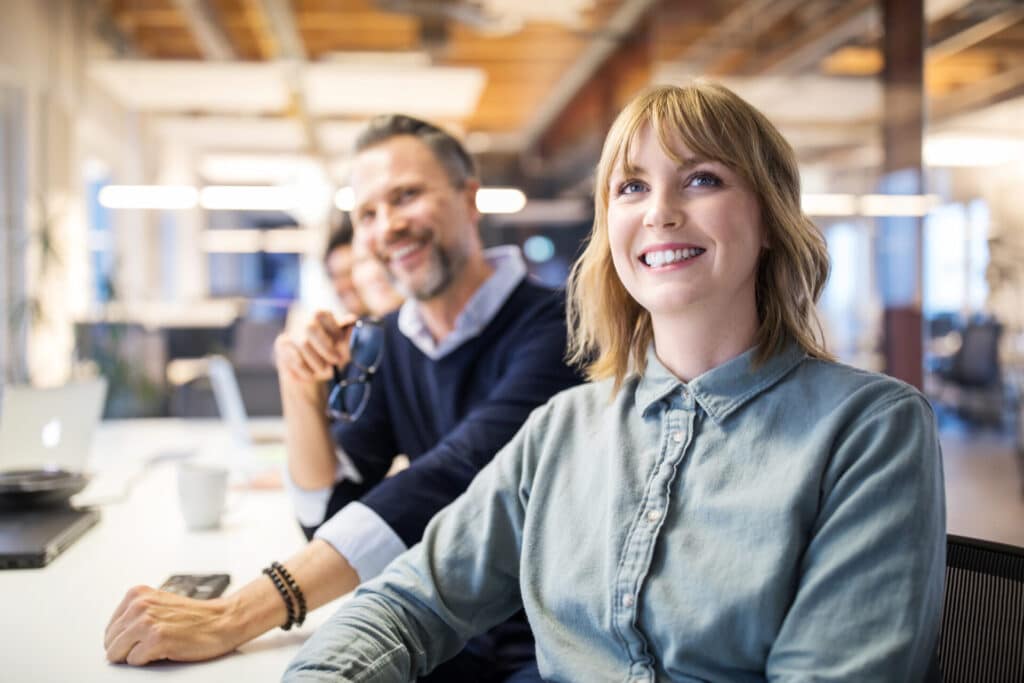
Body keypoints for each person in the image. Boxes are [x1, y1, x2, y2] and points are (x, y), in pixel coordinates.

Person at [283, 82, 947, 682]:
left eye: (703, 179)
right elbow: (410, 598)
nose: (659, 212)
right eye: (631, 187)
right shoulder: (562, 426)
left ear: (770, 218)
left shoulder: (871, 427)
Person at [103, 114, 582, 679]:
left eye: (406, 196)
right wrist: (299, 387)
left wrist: (235, 614)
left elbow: (452, 481)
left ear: (468, 198)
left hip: (550, 640)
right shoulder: (393, 344)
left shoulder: (559, 325)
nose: (387, 227)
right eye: (368, 214)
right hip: (451, 633)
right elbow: (328, 515)